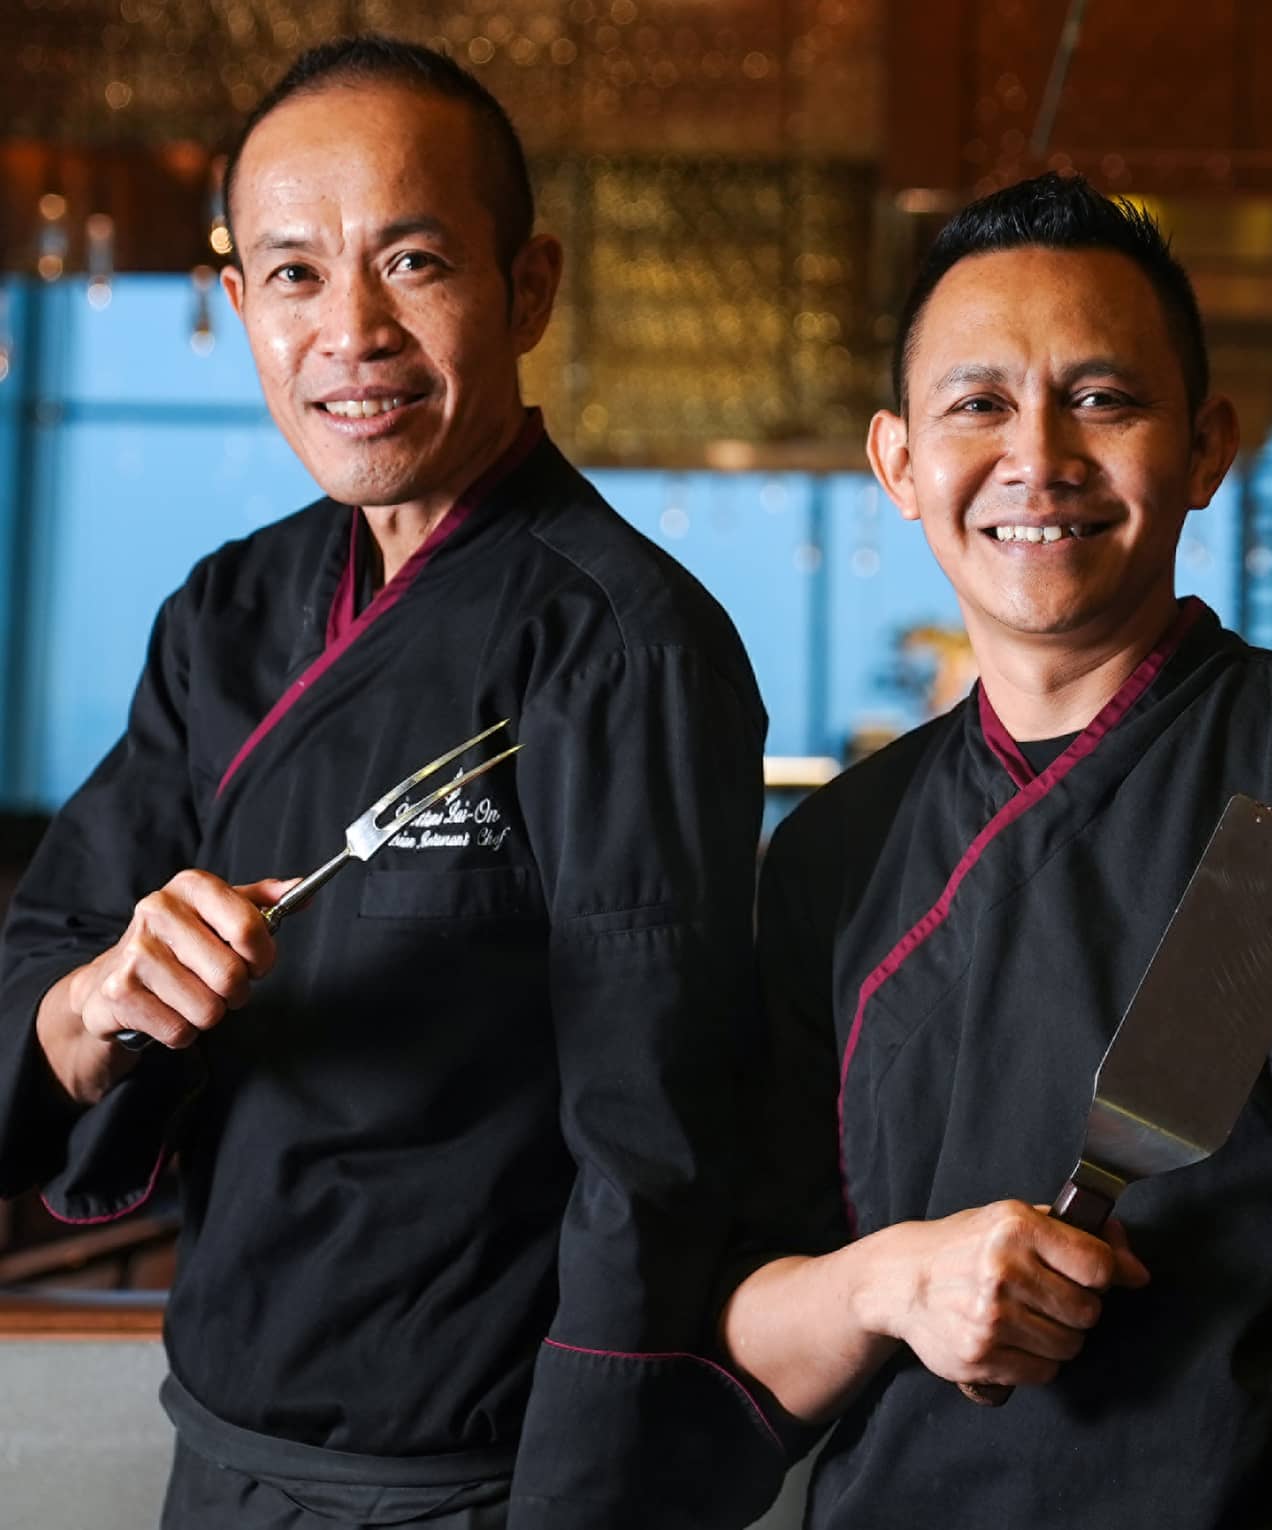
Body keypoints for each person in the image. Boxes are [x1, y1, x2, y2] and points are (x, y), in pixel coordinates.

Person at [0, 35, 780, 1530]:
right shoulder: (224, 613)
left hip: (462, 1485)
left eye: (411, 261)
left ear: (527, 286)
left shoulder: (624, 641)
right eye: (292, 274)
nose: (348, 330)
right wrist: (99, 999)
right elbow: (48, 963)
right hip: (217, 1442)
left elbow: (652, 1146)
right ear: (238, 308)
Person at [719, 172, 1272, 1529]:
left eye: (1102, 398)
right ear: (898, 461)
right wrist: (889, 1284)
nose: (1038, 456)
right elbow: (733, 1326)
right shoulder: (832, 858)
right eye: (977, 403)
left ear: (1205, 444)